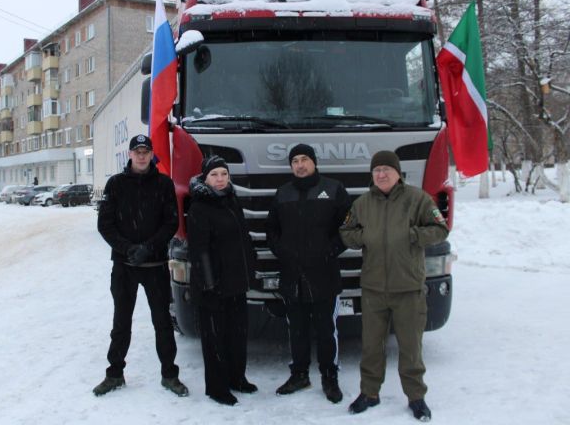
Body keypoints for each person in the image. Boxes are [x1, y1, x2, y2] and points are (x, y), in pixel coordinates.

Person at [340, 150, 449, 422]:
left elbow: (440, 228)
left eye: (386, 170)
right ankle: (369, 393)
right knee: (371, 346)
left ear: (397, 173)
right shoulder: (363, 203)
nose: (381, 175)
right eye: (376, 171)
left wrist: (413, 235)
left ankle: (416, 397)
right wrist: (365, 236)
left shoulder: (418, 199)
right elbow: (346, 232)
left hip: (408, 287)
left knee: (410, 347)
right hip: (374, 287)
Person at [93, 134, 189, 398]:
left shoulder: (163, 184)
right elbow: (105, 224)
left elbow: (171, 222)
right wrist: (128, 249)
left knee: (162, 323)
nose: (142, 155)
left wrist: (148, 247)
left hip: (155, 265)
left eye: (146, 151)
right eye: (137, 151)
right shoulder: (116, 184)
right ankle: (114, 374)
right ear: (130, 155)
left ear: (151, 154)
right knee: (121, 323)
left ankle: (170, 375)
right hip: (124, 267)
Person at [266, 143, 351, 403]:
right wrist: (283, 252)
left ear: (314, 162)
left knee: (326, 330)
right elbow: (272, 232)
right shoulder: (283, 194)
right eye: (295, 161)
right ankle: (300, 374)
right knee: (298, 330)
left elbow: (348, 228)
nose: (300, 165)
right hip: (293, 276)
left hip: (324, 273)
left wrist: (329, 251)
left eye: (304, 159)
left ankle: (329, 376)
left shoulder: (333, 189)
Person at [186, 156, 258, 406]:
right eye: (214, 175)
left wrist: (251, 268)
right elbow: (199, 250)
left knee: (237, 335)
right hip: (212, 287)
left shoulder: (231, 201)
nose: (220, 179)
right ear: (205, 178)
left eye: (224, 174)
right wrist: (209, 283)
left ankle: (237, 378)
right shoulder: (199, 207)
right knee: (215, 339)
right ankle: (217, 388)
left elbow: (241, 239)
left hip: (236, 282)